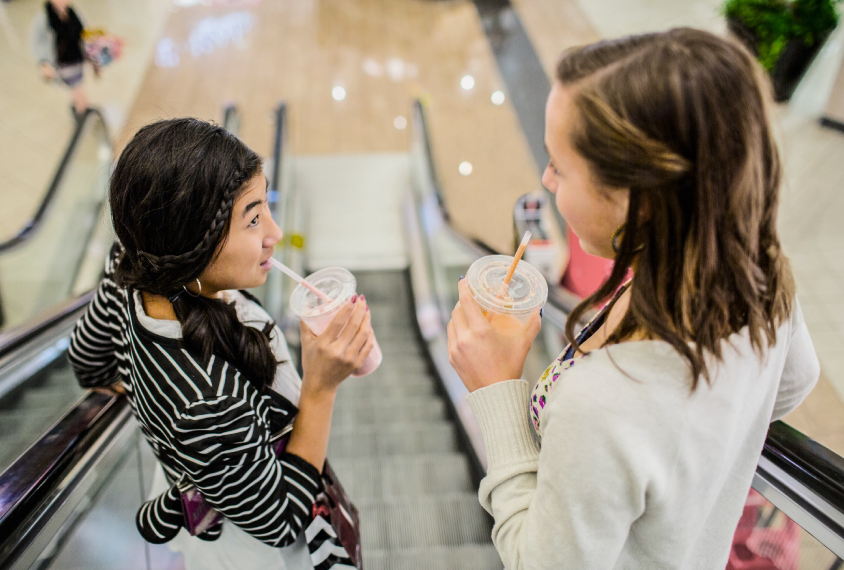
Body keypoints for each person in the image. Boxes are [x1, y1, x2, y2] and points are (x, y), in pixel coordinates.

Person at [446, 28, 820, 569]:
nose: (547, 180)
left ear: (638, 200)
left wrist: (498, 389)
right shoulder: (760, 274)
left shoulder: (605, 401)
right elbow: (793, 380)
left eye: (560, 165)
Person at [68, 118, 374, 570]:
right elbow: (282, 520)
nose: (273, 233)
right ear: (194, 244)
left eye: (265, 203)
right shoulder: (206, 403)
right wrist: (321, 387)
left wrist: (153, 406)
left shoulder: (129, 267)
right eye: (252, 219)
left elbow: (88, 363)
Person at [31, 0, 90, 117]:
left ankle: (80, 112)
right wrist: (44, 63)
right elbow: (36, 44)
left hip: (77, 60)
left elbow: (83, 32)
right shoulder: (43, 19)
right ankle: (82, 114)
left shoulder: (74, 12)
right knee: (78, 91)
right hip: (62, 63)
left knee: (78, 90)